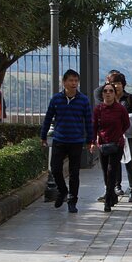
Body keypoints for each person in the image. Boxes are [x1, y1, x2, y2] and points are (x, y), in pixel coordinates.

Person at [41, 69, 93, 213]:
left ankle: (72, 200)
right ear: (64, 82)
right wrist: (43, 136)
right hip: (60, 139)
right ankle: (63, 191)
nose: (74, 83)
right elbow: (48, 118)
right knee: (55, 168)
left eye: (76, 80)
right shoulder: (56, 99)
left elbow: (88, 121)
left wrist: (90, 139)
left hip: (76, 141)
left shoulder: (83, 100)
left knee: (74, 172)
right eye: (71, 80)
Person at [94, 71, 132, 205]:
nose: (116, 86)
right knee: (112, 166)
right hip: (109, 138)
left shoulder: (130, 98)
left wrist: (122, 129)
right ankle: (115, 188)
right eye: (113, 83)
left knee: (129, 164)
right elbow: (97, 93)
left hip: (127, 137)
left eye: (118, 83)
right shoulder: (103, 100)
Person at [92, 82, 130, 212]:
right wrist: (93, 141)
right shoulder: (98, 109)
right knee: (105, 171)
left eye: (111, 91)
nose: (108, 93)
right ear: (102, 94)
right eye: (105, 91)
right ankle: (112, 195)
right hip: (103, 144)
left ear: (114, 94)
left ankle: (107, 201)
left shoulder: (120, 109)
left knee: (111, 170)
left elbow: (126, 124)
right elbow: (94, 126)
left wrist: (118, 134)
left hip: (117, 144)